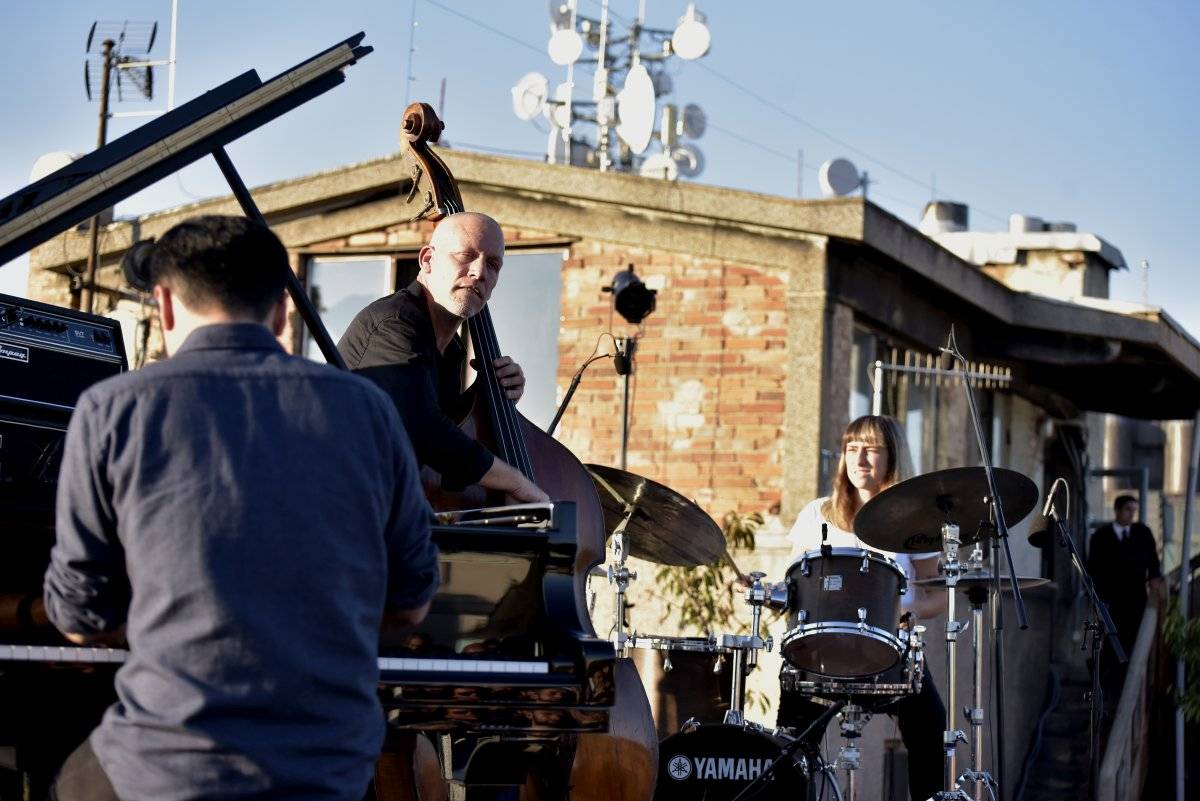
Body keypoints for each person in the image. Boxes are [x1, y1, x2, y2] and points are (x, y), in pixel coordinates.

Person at [43, 215, 438, 801]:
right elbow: (411, 605)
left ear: (165, 306)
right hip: (330, 770)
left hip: (168, 765)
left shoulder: (111, 408)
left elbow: (79, 618)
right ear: (282, 311)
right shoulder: (368, 410)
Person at [779, 415, 945, 801]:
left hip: (888, 650)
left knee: (931, 730)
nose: (860, 460)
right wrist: (764, 592)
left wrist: (911, 614)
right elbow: (791, 586)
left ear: (892, 458)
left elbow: (936, 593)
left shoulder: (913, 521)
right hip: (820, 651)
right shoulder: (816, 514)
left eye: (871, 450)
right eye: (852, 449)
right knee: (787, 748)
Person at [338, 212, 547, 504]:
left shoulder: (452, 350)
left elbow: (448, 435)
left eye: (493, 264)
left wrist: (488, 397)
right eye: (465, 256)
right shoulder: (394, 324)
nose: (480, 272)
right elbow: (423, 429)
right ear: (427, 260)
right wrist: (516, 482)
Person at [1086, 494, 1163, 714]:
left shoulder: (1142, 533)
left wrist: (1155, 587)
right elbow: (1094, 571)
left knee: (1132, 646)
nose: (1132, 514)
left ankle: (1124, 692)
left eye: (1134, 510)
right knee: (1110, 647)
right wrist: (1098, 603)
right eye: (1128, 509)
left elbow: (1153, 567)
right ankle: (1106, 693)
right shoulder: (1101, 537)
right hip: (1111, 605)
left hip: (1136, 603)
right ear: (1118, 510)